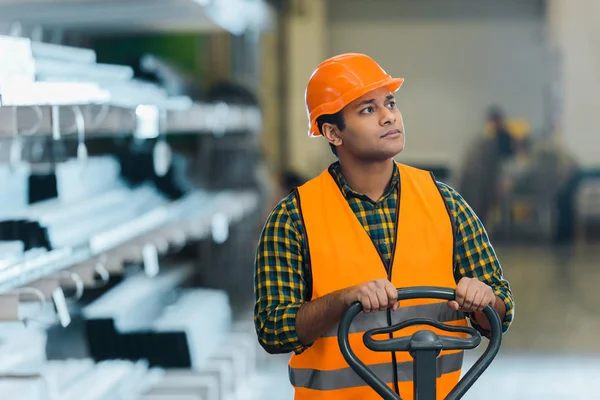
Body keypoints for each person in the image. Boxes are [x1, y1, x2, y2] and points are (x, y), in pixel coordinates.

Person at [253, 53, 515, 400]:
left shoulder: (445, 203)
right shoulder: (293, 219)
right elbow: (273, 330)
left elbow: (501, 311)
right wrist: (343, 300)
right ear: (332, 132)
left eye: (390, 103)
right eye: (367, 109)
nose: (389, 116)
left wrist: (484, 299)